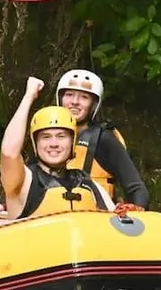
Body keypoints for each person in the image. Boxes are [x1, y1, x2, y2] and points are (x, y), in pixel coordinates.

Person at [0, 77, 116, 223]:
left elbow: (114, 220)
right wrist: (29, 96)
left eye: (61, 136)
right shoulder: (23, 181)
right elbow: (9, 152)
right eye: (46, 137)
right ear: (36, 144)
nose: (53, 144)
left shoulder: (87, 183)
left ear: (72, 142)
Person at [56, 69, 149, 207]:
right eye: (69, 95)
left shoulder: (102, 139)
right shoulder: (46, 137)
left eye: (84, 97)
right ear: (60, 98)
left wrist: (136, 210)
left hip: (96, 218)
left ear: (93, 105)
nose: (75, 102)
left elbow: (137, 188)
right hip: (53, 216)